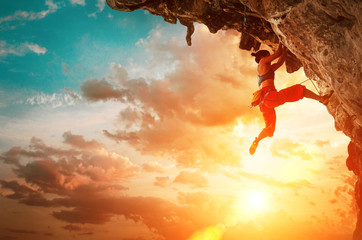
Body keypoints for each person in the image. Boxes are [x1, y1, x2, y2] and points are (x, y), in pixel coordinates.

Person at [249, 42, 333, 155]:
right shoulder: (263, 62)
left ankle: (257, 140)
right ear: (262, 57)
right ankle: (322, 99)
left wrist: (284, 48)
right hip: (270, 97)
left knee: (269, 128)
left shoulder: (264, 69)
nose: (269, 58)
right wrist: (280, 41)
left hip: (264, 104)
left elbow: (280, 61)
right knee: (299, 89)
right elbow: (277, 54)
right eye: (268, 56)